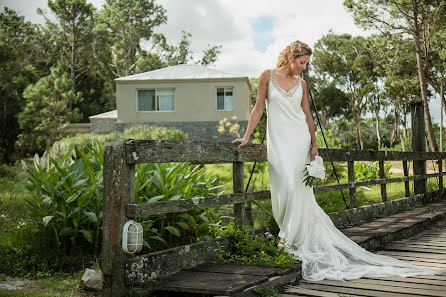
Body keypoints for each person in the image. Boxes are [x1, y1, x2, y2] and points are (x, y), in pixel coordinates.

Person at [231, 40, 446, 281]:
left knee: (296, 187)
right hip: (278, 142)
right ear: (291, 58)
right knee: (282, 188)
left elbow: (308, 117)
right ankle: (289, 233)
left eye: (306, 64)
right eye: (302, 63)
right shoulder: (267, 76)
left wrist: (314, 145)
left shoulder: (302, 84)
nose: (304, 67)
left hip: (299, 140)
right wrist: (247, 136)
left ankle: (288, 239)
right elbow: (259, 107)